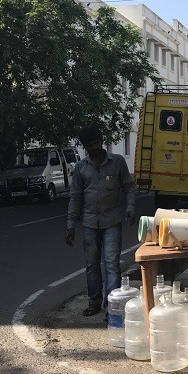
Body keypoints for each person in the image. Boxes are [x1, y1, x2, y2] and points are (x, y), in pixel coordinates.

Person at [65, 125, 136, 317]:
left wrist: (130, 207)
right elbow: (75, 197)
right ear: (86, 147)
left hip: (112, 221)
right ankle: (94, 301)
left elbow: (128, 187)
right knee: (92, 265)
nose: (95, 147)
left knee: (112, 264)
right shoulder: (80, 168)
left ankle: (111, 308)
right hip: (89, 223)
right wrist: (70, 225)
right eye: (90, 145)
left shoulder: (118, 162)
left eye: (97, 142)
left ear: (102, 141)